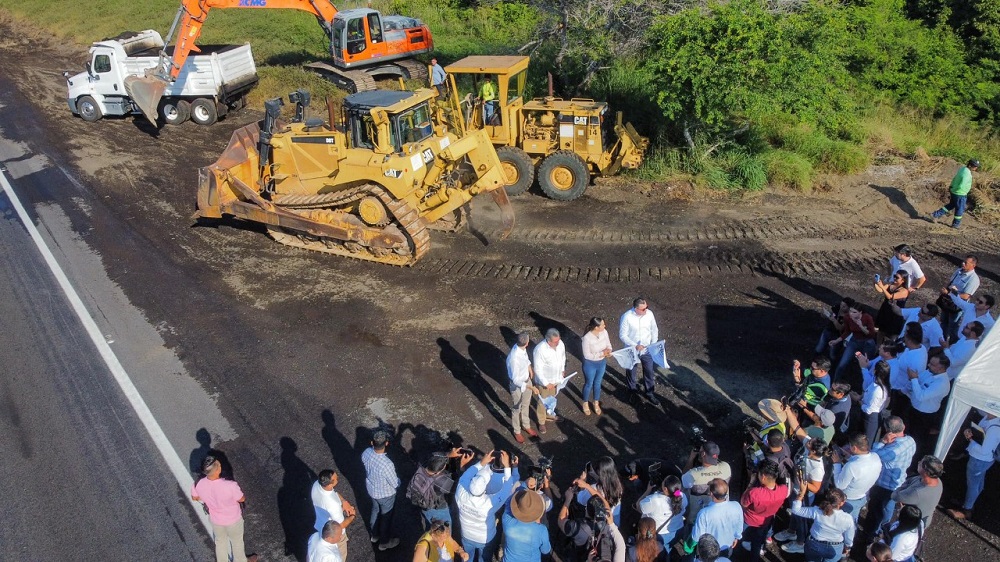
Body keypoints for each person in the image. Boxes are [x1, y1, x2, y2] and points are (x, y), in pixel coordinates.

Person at [190, 454, 258, 562]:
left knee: (220, 542)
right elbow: (241, 498)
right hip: (233, 520)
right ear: (218, 470)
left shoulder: (198, 484)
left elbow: (195, 497)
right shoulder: (230, 485)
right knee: (237, 542)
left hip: (216, 520)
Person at [455, 450, 519, 562]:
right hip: (485, 537)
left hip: (466, 534)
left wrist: (481, 463)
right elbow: (507, 488)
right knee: (484, 559)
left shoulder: (461, 494)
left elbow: (465, 476)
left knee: (467, 557)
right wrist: (507, 466)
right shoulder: (490, 503)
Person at [862, 417, 916, 537]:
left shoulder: (892, 450)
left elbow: (872, 456)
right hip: (899, 482)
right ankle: (884, 528)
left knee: (875, 511)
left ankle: (870, 533)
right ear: (903, 427)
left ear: (888, 431)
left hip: (884, 485)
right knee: (888, 507)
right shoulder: (911, 441)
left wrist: (882, 442)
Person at [774, 438, 829, 551]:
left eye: (810, 442)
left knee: (801, 519)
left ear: (813, 451)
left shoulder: (817, 469)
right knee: (795, 514)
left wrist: (803, 484)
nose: (809, 440)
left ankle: (800, 543)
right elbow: (800, 433)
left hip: (804, 496)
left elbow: (816, 488)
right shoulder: (809, 449)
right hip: (795, 489)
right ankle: (791, 531)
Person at [945, 410, 1000, 521]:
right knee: (977, 483)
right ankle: (970, 502)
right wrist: (971, 433)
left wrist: (971, 439)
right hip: (983, 459)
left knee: (973, 485)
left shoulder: (994, 429)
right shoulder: (989, 418)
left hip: (979, 459)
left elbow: (984, 450)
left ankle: (966, 509)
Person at [785, 487, 854, 560]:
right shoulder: (848, 518)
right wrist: (847, 547)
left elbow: (796, 510)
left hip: (814, 544)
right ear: (841, 503)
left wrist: (801, 493)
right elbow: (849, 537)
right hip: (835, 547)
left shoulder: (817, 511)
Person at [740, 460, 788, 562]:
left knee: (753, 541)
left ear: (763, 477)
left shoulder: (754, 493)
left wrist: (751, 483)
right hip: (768, 519)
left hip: (751, 521)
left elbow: (743, 503)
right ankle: (763, 545)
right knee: (762, 536)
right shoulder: (784, 489)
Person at [558, 490, 626, 562]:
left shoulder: (576, 527)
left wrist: (568, 500)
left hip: (580, 553)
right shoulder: (608, 525)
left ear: (586, 509)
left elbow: (560, 521)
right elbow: (620, 545)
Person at [831, 433, 882, 526]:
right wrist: (850, 457)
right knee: (853, 520)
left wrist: (837, 463)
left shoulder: (851, 466)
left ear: (854, 448)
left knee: (846, 525)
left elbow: (840, 485)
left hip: (849, 500)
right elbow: (863, 463)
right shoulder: (875, 457)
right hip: (863, 496)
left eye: (850, 445)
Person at [361, 429, 400, 551]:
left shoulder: (366, 452)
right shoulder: (387, 464)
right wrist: (399, 481)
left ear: (372, 442)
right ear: (386, 443)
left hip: (372, 490)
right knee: (386, 517)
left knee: (375, 510)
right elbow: (394, 483)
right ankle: (384, 542)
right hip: (386, 495)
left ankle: (374, 535)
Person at [619, 298, 662, 405]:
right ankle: (632, 391)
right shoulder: (626, 317)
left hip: (647, 348)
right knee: (631, 370)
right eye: (643, 309)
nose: (646, 310)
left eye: (646, 307)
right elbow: (623, 335)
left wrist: (653, 343)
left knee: (649, 371)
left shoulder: (649, 314)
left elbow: (654, 329)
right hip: (632, 349)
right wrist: (635, 345)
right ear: (636, 308)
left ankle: (649, 393)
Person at [686, 479, 743, 558]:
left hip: (709, 551)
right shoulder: (736, 505)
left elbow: (697, 536)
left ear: (711, 493)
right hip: (728, 546)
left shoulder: (704, 513)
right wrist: (737, 537)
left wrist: (689, 546)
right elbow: (739, 525)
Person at [904, 355, 950, 451]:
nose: (928, 365)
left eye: (932, 364)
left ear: (941, 368)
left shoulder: (942, 383)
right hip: (913, 409)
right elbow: (918, 383)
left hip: (924, 416)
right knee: (907, 434)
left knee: (917, 440)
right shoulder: (929, 372)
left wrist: (914, 379)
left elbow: (921, 396)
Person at [682, 441, 732, 522]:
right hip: (721, 512)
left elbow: (683, 478)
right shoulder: (726, 467)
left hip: (698, 516)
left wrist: (691, 458)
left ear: (703, 454)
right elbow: (717, 462)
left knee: (683, 488)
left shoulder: (694, 474)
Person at [311, 469, 357, 560]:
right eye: (336, 479)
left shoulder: (317, 485)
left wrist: (343, 501)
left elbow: (333, 492)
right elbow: (340, 526)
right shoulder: (333, 505)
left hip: (321, 526)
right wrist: (352, 516)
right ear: (329, 484)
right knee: (340, 556)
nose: (338, 478)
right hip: (334, 533)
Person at [408, 451, 459, 527]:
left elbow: (432, 456)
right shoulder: (441, 481)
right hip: (438, 510)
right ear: (439, 471)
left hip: (424, 505)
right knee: (443, 530)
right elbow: (458, 488)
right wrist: (461, 467)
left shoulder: (421, 468)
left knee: (430, 524)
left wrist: (448, 455)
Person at [892, 455, 944, 529]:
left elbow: (895, 496)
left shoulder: (918, 492)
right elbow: (911, 480)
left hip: (912, 523)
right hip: (924, 518)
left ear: (926, 472)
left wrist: (902, 486)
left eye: (921, 463)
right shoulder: (938, 481)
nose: (918, 462)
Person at [636, 474, 687, 547]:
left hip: (662, 535)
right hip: (678, 530)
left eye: (663, 481)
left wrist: (648, 490)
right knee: (668, 548)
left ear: (665, 489)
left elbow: (638, 506)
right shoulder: (683, 496)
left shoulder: (655, 500)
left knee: (659, 551)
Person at [937, 255, 980, 340]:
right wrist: (945, 290)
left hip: (957, 306)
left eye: (966, 263)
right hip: (947, 302)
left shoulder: (973, 279)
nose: (963, 263)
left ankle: (951, 342)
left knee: (953, 326)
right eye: (963, 261)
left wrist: (949, 293)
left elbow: (966, 295)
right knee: (944, 321)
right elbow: (950, 282)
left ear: (973, 265)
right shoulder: (958, 271)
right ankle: (942, 340)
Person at [507, 331, 539, 443]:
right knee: (517, 408)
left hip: (526, 380)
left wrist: (529, 368)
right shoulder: (514, 358)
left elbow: (525, 358)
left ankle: (526, 425)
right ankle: (517, 431)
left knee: (526, 404)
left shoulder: (521, 348)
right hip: (517, 386)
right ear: (527, 343)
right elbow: (516, 380)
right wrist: (531, 387)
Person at [532, 327, 566, 434]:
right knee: (543, 401)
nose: (558, 343)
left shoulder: (560, 344)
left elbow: (563, 357)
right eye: (555, 342)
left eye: (558, 340)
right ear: (548, 340)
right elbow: (537, 369)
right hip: (545, 382)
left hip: (556, 379)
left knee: (552, 398)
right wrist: (546, 383)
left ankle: (550, 414)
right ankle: (541, 422)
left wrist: (562, 369)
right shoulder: (540, 350)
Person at [830, 302, 876, 379]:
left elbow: (871, 335)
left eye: (854, 312)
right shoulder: (847, 317)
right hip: (854, 341)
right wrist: (836, 341)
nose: (851, 314)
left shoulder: (867, 318)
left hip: (867, 343)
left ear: (860, 312)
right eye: (850, 311)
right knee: (842, 363)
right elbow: (847, 332)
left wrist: (861, 326)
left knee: (866, 364)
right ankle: (835, 381)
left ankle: (866, 382)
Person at [502, 489, 552, 561]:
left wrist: (523, 494)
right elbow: (545, 550)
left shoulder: (506, 519)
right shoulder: (542, 530)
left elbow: (508, 502)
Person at [574, 456, 625, 526]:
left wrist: (583, 483)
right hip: (614, 517)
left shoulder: (594, 488)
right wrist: (594, 474)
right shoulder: (618, 485)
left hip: (600, 521)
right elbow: (606, 481)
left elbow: (581, 500)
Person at [930, 158, 980, 228]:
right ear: (970, 165)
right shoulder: (967, 174)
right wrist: (964, 192)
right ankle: (956, 224)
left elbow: (955, 178)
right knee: (960, 209)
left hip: (954, 191)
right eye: (975, 166)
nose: (976, 168)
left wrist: (952, 186)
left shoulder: (963, 169)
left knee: (951, 205)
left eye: (976, 166)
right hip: (960, 193)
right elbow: (963, 184)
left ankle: (935, 215)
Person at [853, 358, 890, 446]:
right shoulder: (878, 384)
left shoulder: (878, 390)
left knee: (867, 442)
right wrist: (861, 397)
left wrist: (859, 401)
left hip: (871, 417)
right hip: (869, 415)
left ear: (875, 371)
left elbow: (869, 409)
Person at [581, 316, 613, 415]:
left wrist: (609, 350)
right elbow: (587, 355)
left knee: (598, 383)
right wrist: (602, 354)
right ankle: (585, 403)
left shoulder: (604, 332)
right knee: (589, 383)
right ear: (596, 327)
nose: (605, 326)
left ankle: (596, 403)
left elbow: (608, 344)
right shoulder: (587, 338)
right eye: (602, 325)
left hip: (601, 362)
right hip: (590, 364)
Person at [874, 270, 910, 342]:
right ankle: (878, 346)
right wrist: (876, 283)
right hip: (885, 310)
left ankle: (890, 346)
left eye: (897, 277)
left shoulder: (904, 291)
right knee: (881, 330)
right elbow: (880, 290)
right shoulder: (891, 285)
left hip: (895, 313)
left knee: (891, 334)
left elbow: (890, 297)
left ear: (903, 280)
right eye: (894, 276)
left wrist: (882, 287)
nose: (895, 278)